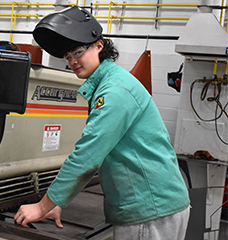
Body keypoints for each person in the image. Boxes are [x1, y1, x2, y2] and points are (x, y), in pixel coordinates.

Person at [14, 6, 190, 239]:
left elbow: (87, 155)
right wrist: (56, 201)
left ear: (99, 45)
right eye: (68, 57)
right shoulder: (110, 83)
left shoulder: (114, 91)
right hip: (156, 204)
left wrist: (42, 206)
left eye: (77, 52)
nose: (73, 61)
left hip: (149, 209)